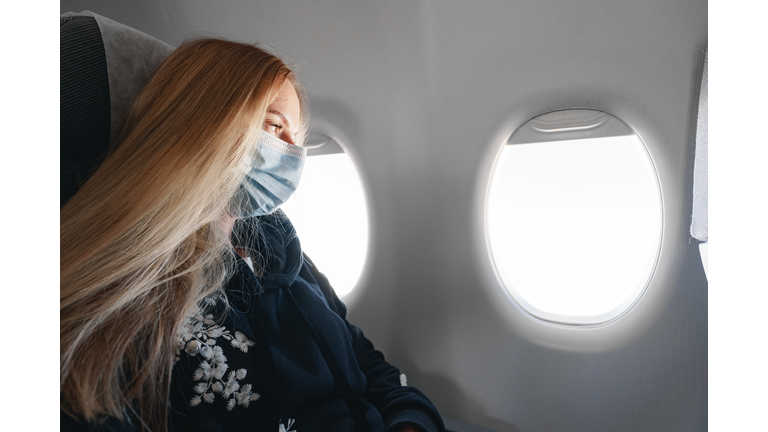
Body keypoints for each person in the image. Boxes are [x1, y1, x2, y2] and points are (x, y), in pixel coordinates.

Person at [60, 38, 444, 432]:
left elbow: (366, 363)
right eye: (276, 126)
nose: (295, 154)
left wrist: (410, 422)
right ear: (205, 122)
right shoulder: (128, 293)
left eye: (299, 136)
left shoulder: (282, 251)